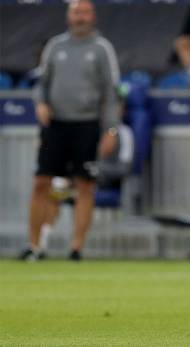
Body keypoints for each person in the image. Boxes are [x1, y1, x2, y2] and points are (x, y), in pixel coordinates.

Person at [20, 0, 121, 262]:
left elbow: (111, 94)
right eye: (76, 12)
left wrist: (110, 130)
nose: (81, 17)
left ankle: (76, 248)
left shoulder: (101, 48)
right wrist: (40, 103)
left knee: (84, 186)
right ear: (69, 15)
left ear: (93, 15)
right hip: (55, 126)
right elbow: (41, 84)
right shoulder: (56, 46)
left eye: (85, 12)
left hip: (86, 125)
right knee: (41, 182)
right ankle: (34, 246)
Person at [36, 124, 134, 255]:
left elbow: (124, 168)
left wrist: (95, 172)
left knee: (85, 189)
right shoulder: (80, 128)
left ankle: (76, 248)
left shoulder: (123, 132)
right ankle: (41, 244)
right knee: (57, 188)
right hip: (74, 181)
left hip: (102, 182)